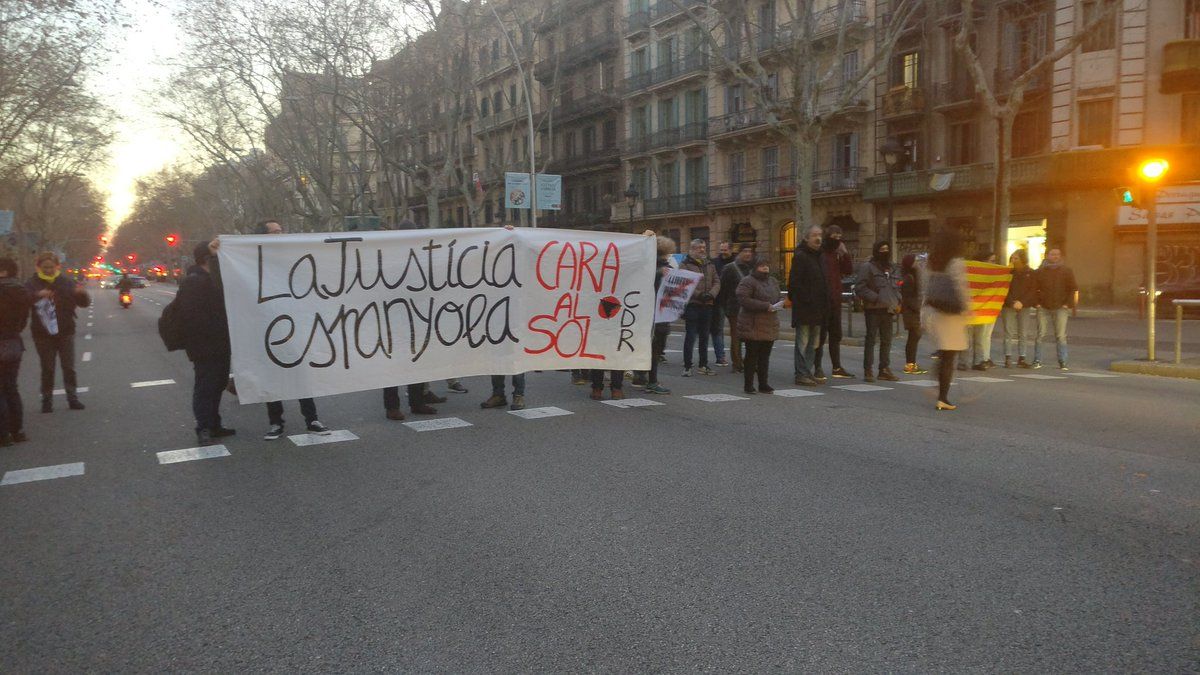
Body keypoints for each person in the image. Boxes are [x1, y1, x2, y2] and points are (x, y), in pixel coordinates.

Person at [255, 220, 332, 440]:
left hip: (295, 325)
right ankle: (275, 422)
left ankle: (312, 419)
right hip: (267, 325)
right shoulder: (252, 260)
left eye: (282, 230)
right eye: (275, 232)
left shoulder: (293, 255)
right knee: (272, 376)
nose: (281, 234)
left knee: (301, 375)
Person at [177, 242, 236, 445]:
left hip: (220, 342)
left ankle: (214, 424)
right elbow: (192, 316)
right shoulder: (194, 281)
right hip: (204, 345)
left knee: (218, 383)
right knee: (205, 386)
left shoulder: (214, 278)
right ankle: (203, 426)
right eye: (216, 254)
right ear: (207, 258)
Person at [27, 252, 90, 412]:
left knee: (68, 366)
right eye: (45, 267)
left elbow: (83, 303)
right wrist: (37, 295)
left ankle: (72, 398)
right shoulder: (32, 283)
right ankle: (46, 400)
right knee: (47, 367)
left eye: (51, 267)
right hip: (42, 332)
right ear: (39, 267)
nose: (48, 270)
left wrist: (82, 295)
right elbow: (23, 300)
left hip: (65, 330)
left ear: (57, 267)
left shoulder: (67, 282)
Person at [922, 229, 970, 410]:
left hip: (936, 311)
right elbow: (961, 286)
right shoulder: (956, 262)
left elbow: (926, 288)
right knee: (949, 356)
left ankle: (939, 389)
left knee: (945, 353)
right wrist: (967, 308)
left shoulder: (933, 261)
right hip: (952, 314)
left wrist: (924, 312)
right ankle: (943, 397)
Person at [787, 224, 829, 386]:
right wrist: (807, 300)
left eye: (820, 235)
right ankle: (801, 373)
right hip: (806, 309)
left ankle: (807, 371)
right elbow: (794, 284)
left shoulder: (820, 256)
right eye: (814, 235)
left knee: (814, 343)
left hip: (819, 309)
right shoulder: (801, 256)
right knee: (803, 343)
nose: (818, 238)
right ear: (806, 238)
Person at [854, 241, 901, 382]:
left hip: (888, 309)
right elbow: (860, 287)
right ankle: (868, 369)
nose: (885, 251)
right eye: (882, 249)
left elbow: (897, 286)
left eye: (887, 249)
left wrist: (898, 300)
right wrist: (875, 298)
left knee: (887, 340)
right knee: (871, 339)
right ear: (876, 251)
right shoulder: (868, 267)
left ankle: (884, 369)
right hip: (873, 309)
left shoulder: (892, 268)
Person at [814, 224, 855, 380]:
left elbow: (848, 270)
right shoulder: (821, 253)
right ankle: (817, 366)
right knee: (821, 334)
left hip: (835, 299)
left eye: (839, 237)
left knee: (835, 334)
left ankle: (836, 366)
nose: (837, 240)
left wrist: (845, 254)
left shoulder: (837, 253)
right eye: (834, 236)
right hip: (823, 300)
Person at [736, 255, 781, 394]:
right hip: (753, 324)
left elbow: (777, 296)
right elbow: (744, 299)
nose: (765, 267)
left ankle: (763, 384)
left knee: (764, 357)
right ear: (755, 267)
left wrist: (781, 303)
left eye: (766, 265)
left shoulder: (772, 281)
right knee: (751, 356)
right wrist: (765, 306)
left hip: (769, 323)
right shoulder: (747, 281)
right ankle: (748, 385)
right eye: (762, 265)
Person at [0, 258, 31, 444]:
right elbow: (23, 320)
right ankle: (18, 431)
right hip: (13, 342)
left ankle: (3, 435)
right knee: (11, 387)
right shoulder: (20, 291)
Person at [679, 239, 720, 377]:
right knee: (690, 336)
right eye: (699, 247)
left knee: (704, 336)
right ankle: (687, 366)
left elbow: (717, 281)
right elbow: (684, 283)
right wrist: (699, 294)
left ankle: (703, 364)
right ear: (692, 249)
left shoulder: (710, 264)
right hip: (693, 304)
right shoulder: (685, 265)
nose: (702, 250)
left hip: (707, 304)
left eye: (704, 247)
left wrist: (711, 294)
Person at [1034, 245, 1077, 370]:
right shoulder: (1040, 271)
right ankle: (1037, 360)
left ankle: (1063, 361)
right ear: (1047, 256)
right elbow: (1034, 288)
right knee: (1040, 334)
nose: (1055, 256)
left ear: (1060, 256)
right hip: (1043, 306)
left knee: (1061, 335)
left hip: (1060, 307)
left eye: (1057, 254)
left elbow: (1073, 288)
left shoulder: (1066, 271)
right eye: (1052, 254)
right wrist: (1037, 302)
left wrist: (1067, 304)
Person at [643, 234, 674, 395]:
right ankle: (652, 380)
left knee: (650, 346)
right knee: (655, 347)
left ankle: (641, 375)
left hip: (650, 310)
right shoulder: (660, 268)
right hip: (658, 312)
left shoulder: (650, 265)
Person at [717, 245, 754, 373]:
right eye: (745, 251)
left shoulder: (752, 267)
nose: (748, 253)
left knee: (751, 336)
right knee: (737, 336)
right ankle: (737, 364)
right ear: (738, 253)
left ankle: (749, 362)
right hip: (734, 307)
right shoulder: (730, 268)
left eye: (750, 251)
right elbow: (722, 288)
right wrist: (725, 306)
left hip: (750, 307)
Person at [1001, 248, 1039, 368]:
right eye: (1012, 257)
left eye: (1016, 258)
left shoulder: (1031, 273)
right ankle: (1008, 357)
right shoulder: (1008, 272)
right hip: (1009, 305)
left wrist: (1022, 302)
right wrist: (1012, 301)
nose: (1013, 260)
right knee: (1008, 331)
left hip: (1024, 305)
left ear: (1023, 259)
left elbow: (1032, 290)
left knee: (1023, 332)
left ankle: (1022, 357)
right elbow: (1003, 288)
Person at [967, 248, 999, 370]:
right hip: (972, 308)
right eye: (992, 260)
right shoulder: (972, 272)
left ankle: (979, 360)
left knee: (981, 336)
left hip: (985, 308)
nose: (994, 263)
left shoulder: (994, 274)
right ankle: (964, 361)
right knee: (968, 337)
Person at [900, 253, 928, 374]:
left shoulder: (913, 276)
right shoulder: (909, 278)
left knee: (914, 337)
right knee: (913, 338)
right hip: (911, 312)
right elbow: (909, 298)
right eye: (915, 261)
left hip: (913, 311)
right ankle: (910, 364)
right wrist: (919, 308)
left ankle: (911, 363)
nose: (918, 263)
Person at [708, 241, 733, 367]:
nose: (722, 252)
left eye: (725, 250)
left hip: (734, 301)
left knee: (738, 332)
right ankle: (720, 356)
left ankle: (737, 359)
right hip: (719, 301)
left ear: (731, 250)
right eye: (721, 250)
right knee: (718, 330)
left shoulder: (736, 263)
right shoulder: (714, 262)